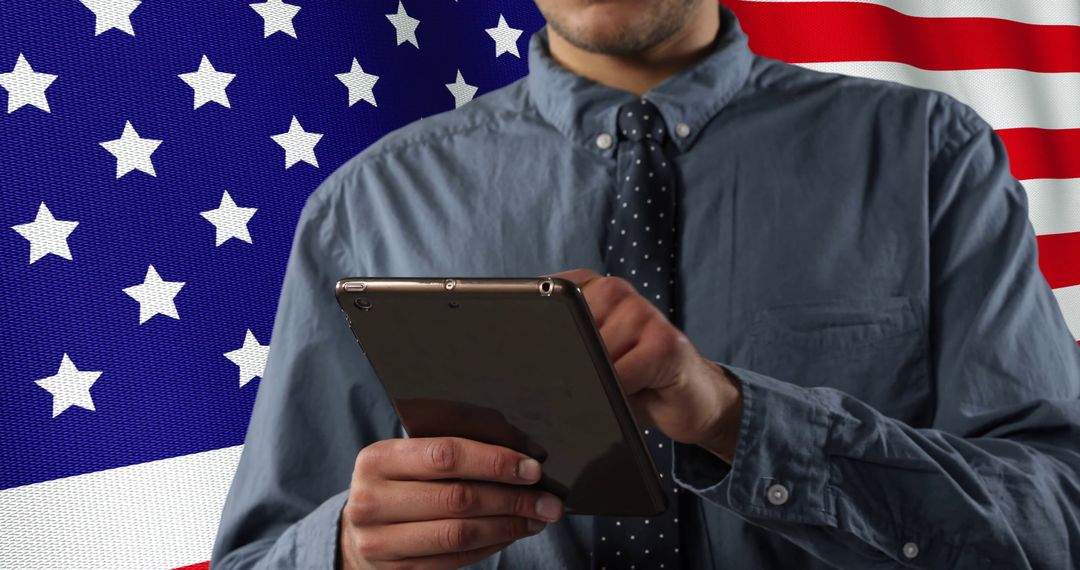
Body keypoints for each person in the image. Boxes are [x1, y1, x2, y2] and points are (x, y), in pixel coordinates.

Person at [210, 0, 1080, 568]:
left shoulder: (931, 157)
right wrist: (345, 553)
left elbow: (1058, 521)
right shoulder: (367, 205)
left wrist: (735, 418)